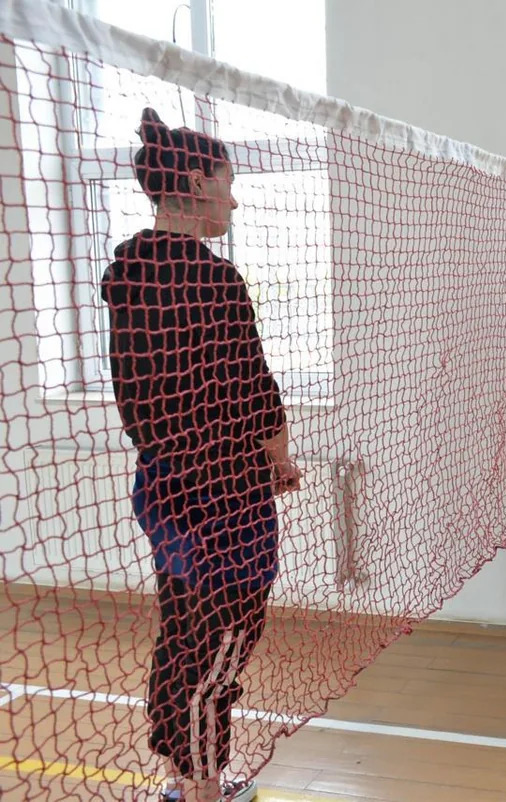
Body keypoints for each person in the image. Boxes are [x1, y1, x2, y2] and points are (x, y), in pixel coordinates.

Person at [101, 107, 301, 802]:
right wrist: (276, 458)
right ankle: (206, 789)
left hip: (162, 487)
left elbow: (148, 392)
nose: (234, 197)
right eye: (227, 180)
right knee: (222, 638)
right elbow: (254, 389)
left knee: (186, 627)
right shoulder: (216, 281)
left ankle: (184, 778)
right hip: (222, 494)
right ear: (194, 182)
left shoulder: (126, 272)